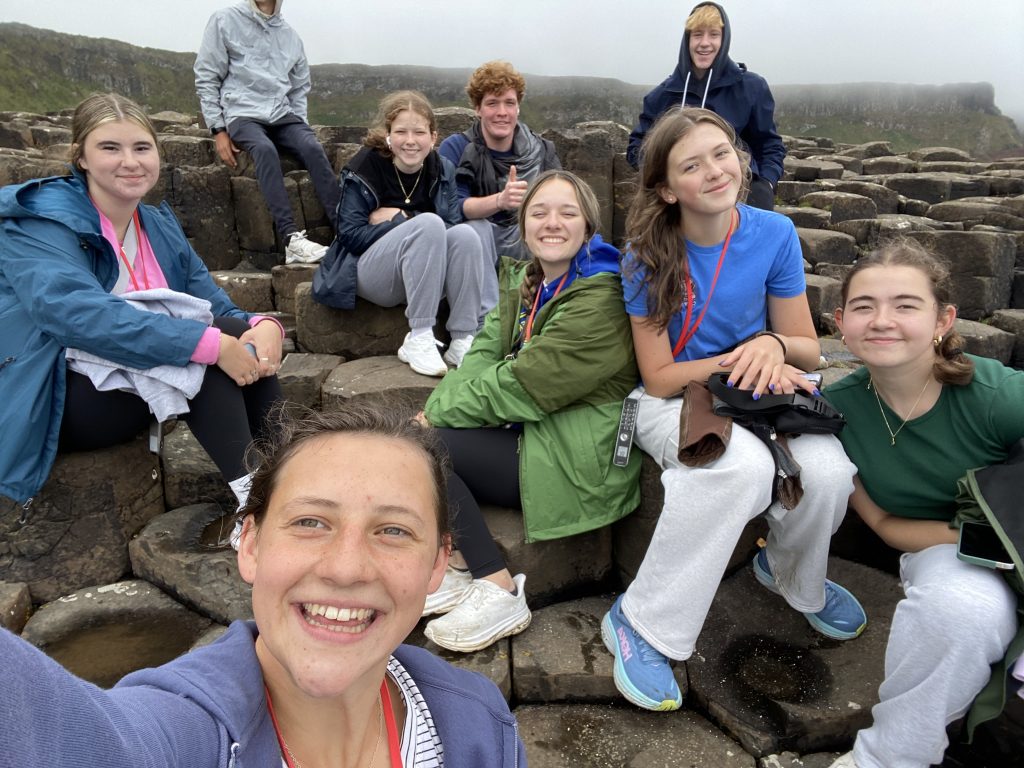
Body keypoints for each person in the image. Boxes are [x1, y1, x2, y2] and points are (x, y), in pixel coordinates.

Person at [0, 403, 526, 767]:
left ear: (438, 564)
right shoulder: (183, 730)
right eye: (310, 522)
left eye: (392, 531)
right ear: (248, 544)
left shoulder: (476, 722)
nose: (346, 569)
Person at [603, 107, 865, 711]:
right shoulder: (645, 254)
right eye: (691, 165)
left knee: (827, 475)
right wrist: (735, 361)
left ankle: (790, 572)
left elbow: (804, 346)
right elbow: (660, 375)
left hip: (760, 391)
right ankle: (639, 622)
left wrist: (770, 345)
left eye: (722, 153)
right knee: (737, 470)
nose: (715, 171)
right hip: (675, 399)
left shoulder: (773, 233)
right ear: (669, 189)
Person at [0, 92, 283, 518]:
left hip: (126, 380)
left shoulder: (156, 225)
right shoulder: (40, 221)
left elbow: (212, 303)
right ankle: (259, 509)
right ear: (81, 157)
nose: (129, 161)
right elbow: (75, 315)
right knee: (204, 356)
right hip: (52, 392)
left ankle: (290, 477)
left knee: (229, 332)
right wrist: (205, 345)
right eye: (110, 148)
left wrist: (261, 326)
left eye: (141, 147)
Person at [417, 170, 641, 652]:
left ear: (589, 227)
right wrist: (445, 404)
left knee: (422, 444)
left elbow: (525, 383)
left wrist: (436, 411)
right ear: (523, 225)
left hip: (581, 454)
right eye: (538, 213)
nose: (551, 223)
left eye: (567, 212)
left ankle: (497, 586)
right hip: (536, 432)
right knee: (419, 445)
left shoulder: (601, 298)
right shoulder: (528, 281)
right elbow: (481, 353)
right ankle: (455, 569)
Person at [823, 240, 1023, 768]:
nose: (882, 321)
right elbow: (887, 525)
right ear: (841, 322)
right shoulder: (837, 413)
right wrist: (975, 542)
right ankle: (887, 759)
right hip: (954, 552)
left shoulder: (997, 395)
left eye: (906, 305)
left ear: (943, 319)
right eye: (864, 306)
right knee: (961, 610)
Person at [313, 91, 487, 377]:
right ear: (388, 136)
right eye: (401, 131)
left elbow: (452, 224)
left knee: (467, 236)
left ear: (433, 137)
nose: (410, 140)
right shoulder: (365, 166)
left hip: (424, 271)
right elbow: (350, 235)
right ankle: (419, 336)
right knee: (430, 224)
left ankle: (462, 338)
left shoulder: (443, 169)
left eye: (419, 132)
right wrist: (407, 228)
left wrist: (402, 218)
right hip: (370, 271)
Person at [195, 0, 339, 265]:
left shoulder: (290, 36)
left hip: (283, 115)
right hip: (242, 113)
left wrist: (300, 124)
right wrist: (218, 130)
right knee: (264, 149)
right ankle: (291, 239)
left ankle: (347, 230)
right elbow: (207, 76)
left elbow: (298, 88)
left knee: (312, 147)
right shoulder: (224, 20)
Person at [626, 2, 785, 211]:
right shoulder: (661, 96)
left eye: (714, 35)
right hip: (679, 203)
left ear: (724, 39)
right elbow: (637, 148)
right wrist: (666, 178)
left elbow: (769, 145)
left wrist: (765, 184)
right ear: (687, 40)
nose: (704, 43)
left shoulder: (751, 87)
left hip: (740, 199)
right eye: (697, 34)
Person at [438, 61, 561, 312]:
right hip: (475, 253)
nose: (502, 112)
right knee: (477, 228)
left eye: (509, 103)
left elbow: (562, 199)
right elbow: (451, 207)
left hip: (529, 243)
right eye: (492, 103)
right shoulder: (456, 148)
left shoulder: (542, 151)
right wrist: (500, 201)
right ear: (477, 109)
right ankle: (484, 322)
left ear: (518, 108)